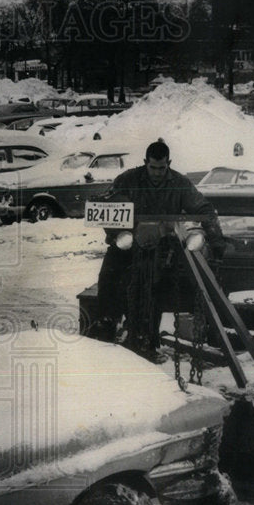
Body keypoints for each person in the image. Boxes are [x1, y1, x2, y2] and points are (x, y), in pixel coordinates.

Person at [95, 139, 225, 358]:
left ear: (169, 163)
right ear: (145, 162)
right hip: (129, 243)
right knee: (108, 275)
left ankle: (148, 339)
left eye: (162, 168)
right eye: (153, 167)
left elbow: (204, 208)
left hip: (163, 247)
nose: (157, 173)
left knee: (154, 289)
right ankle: (105, 326)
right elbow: (107, 206)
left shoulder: (180, 183)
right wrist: (117, 233)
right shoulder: (127, 180)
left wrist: (217, 240)